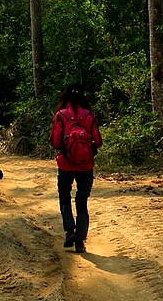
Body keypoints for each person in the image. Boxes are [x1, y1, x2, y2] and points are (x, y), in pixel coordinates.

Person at [50, 84, 102, 253]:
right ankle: (80, 240)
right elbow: (98, 141)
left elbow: (56, 142)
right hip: (86, 165)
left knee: (64, 197)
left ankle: (69, 231)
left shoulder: (61, 115)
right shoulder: (89, 115)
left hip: (65, 164)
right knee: (82, 200)